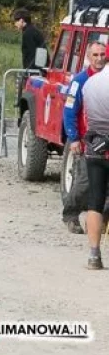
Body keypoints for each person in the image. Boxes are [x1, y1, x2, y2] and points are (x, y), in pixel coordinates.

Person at [62, 41, 107, 234]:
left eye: (102, 55)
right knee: (83, 182)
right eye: (95, 55)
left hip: (104, 138)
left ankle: (99, 222)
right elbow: (69, 111)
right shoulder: (80, 80)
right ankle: (70, 215)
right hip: (85, 140)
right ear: (88, 57)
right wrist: (73, 138)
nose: (99, 59)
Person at [79, 67, 109, 269]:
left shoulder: (90, 83)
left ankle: (94, 255)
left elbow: (85, 114)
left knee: (95, 201)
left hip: (95, 146)